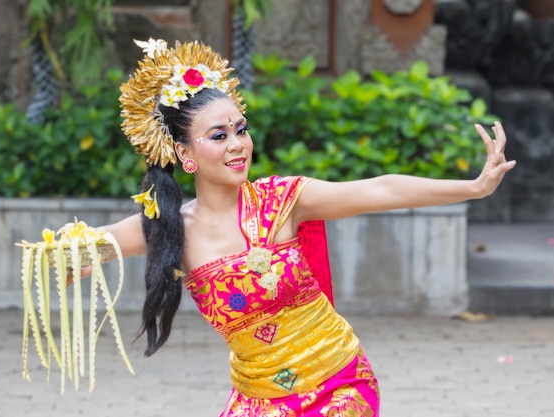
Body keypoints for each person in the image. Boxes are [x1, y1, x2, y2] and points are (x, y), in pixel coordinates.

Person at [97, 38, 515, 416]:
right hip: (256, 399)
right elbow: (88, 247)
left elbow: (381, 190)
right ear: (185, 154)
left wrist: (474, 187)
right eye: (219, 136)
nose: (238, 144)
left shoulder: (283, 201)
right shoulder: (172, 227)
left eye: (241, 129)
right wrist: (65, 257)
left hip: (337, 387)